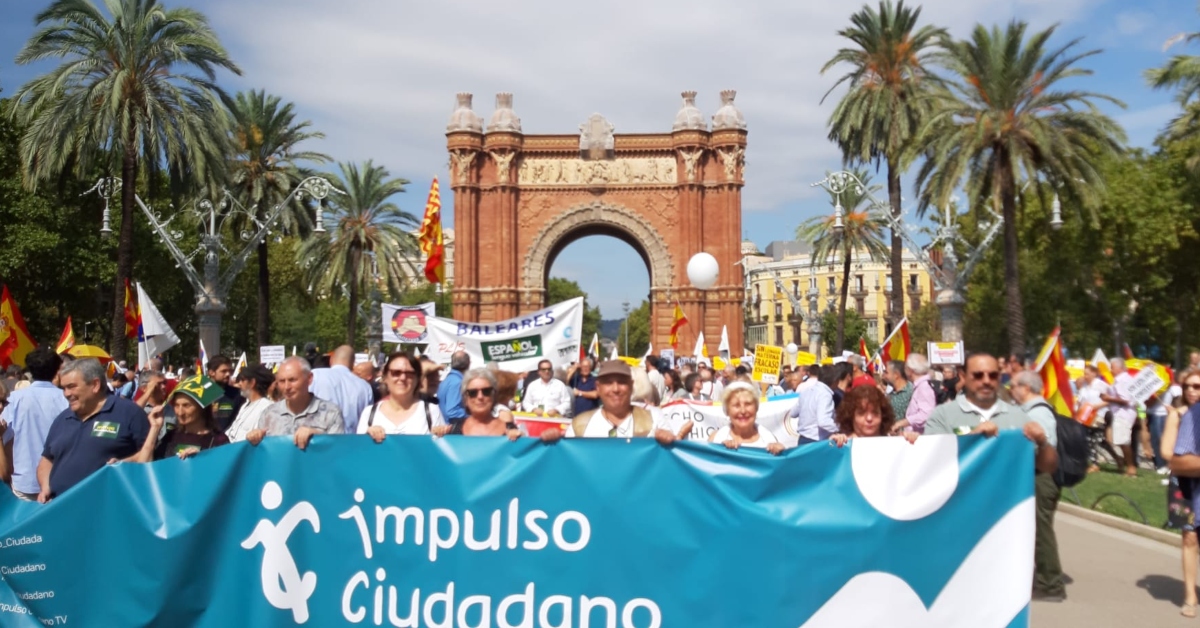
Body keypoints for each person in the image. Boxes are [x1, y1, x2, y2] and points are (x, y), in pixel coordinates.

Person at [37, 359, 152, 502]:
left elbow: (150, 456)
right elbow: (47, 459)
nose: (66, 394)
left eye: (71, 386)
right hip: (61, 508)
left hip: (109, 509)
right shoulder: (62, 418)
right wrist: (46, 486)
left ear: (95, 385)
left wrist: (125, 463)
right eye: (64, 388)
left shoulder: (130, 413)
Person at [1009, 370, 1066, 603]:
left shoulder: (1039, 413)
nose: (1010, 390)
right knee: (1035, 530)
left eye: (1012, 386)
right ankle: (1042, 579)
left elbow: (1046, 447)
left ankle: (1051, 585)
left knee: (1041, 531)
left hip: (1042, 476)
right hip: (1036, 475)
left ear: (1025, 388)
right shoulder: (1029, 412)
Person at [0, 348, 68, 500]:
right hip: (56, 481)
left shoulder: (14, 400)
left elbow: (4, 436)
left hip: (23, 481)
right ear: (57, 370)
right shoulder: (67, 399)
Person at [540, 360, 669, 441]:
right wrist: (553, 445)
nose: (615, 389)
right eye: (608, 383)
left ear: (631, 385)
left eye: (622, 382)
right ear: (598, 387)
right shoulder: (580, 425)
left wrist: (672, 443)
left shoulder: (654, 418)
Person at [1162, 369, 1200, 617]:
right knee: (1189, 538)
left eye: (1197, 386)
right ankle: (1189, 595)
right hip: (1185, 485)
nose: (1192, 390)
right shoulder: (1180, 415)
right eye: (1188, 386)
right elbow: (1169, 455)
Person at [246, 357, 344, 451]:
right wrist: (255, 438)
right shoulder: (269, 414)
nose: (287, 387)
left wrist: (317, 436)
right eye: (282, 381)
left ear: (309, 379)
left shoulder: (330, 412)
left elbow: (338, 451)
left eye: (292, 380)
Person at [134, 374, 230, 461]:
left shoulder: (218, 440)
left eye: (186, 406)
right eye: (176, 405)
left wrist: (201, 459)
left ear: (202, 408)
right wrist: (154, 428)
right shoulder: (170, 437)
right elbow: (143, 466)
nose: (180, 412)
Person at [360, 353, 445, 440]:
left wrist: (439, 435)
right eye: (396, 373)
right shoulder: (369, 413)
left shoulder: (431, 411)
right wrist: (366, 437)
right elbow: (359, 450)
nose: (403, 377)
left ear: (417, 379)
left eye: (410, 373)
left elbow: (441, 450)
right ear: (385, 377)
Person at [433, 369, 519, 439]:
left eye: (486, 391)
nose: (480, 397)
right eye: (473, 393)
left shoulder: (510, 430)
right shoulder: (453, 431)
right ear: (465, 398)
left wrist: (520, 440)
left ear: (494, 395)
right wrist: (437, 435)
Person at [309, 345, 374, 434]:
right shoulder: (365, 387)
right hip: (351, 443)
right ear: (353, 363)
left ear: (331, 359)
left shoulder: (315, 375)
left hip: (318, 440)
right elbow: (368, 420)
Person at [829, 385, 919, 447]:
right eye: (862, 413)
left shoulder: (895, 443)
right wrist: (831, 445)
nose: (869, 418)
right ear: (850, 416)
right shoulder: (842, 445)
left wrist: (913, 442)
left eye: (875, 413)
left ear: (883, 415)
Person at [709, 382, 784, 455]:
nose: (743, 411)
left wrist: (781, 455)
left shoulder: (769, 439)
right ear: (727, 411)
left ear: (756, 408)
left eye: (748, 404)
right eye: (736, 405)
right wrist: (719, 451)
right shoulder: (716, 439)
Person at [1101, 358, 1139, 477]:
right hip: (1120, 412)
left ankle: (1131, 467)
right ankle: (1128, 464)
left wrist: (1108, 398)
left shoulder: (1123, 381)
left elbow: (1126, 400)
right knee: (1121, 441)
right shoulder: (1121, 380)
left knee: (1123, 441)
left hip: (1124, 413)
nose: (1111, 370)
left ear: (1120, 368)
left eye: (1112, 367)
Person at [789, 364, 840, 444]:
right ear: (835, 381)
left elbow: (793, 413)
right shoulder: (825, 395)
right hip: (816, 440)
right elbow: (823, 421)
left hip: (802, 439)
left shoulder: (806, 390)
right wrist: (839, 427)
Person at [226, 365, 275, 442]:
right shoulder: (245, 405)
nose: (239, 383)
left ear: (252, 383)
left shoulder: (267, 408)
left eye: (242, 380)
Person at [894, 353, 935, 434]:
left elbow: (926, 415)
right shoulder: (921, 386)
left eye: (905, 367)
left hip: (920, 438)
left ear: (910, 370)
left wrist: (902, 423)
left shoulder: (924, 387)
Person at [206, 355, 243, 432]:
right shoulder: (201, 393)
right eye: (224, 371)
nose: (228, 374)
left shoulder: (237, 394)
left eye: (230, 371)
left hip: (227, 440)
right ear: (211, 372)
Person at [437, 351, 470, 422]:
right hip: (454, 428)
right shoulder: (457, 382)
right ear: (468, 364)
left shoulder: (448, 379)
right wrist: (473, 414)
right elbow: (452, 411)